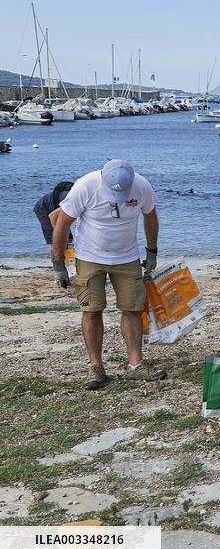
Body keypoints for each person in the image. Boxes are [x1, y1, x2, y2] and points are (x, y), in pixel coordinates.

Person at [50, 160, 166, 390]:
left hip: (127, 258)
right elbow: (61, 222)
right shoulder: (85, 186)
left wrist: (151, 252)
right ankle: (96, 367)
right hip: (89, 257)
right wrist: (58, 263)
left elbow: (150, 217)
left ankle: (136, 365)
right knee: (92, 311)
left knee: (132, 309)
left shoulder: (142, 186)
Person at [34, 180, 74, 244]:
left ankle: (67, 250)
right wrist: (59, 235)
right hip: (43, 208)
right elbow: (52, 216)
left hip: (57, 206)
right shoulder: (69, 200)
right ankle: (56, 251)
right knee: (53, 235)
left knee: (68, 237)